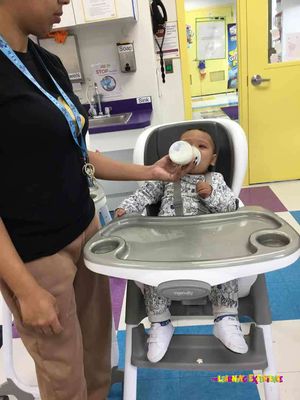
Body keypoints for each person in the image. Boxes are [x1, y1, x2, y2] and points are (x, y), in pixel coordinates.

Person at [0, 1, 193, 399]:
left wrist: (150, 172)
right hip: (35, 257)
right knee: (65, 377)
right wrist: (24, 289)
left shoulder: (46, 63)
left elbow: (77, 153)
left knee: (98, 362)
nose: (65, 2)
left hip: (87, 232)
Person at [115, 128, 249, 363]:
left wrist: (211, 196)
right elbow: (143, 194)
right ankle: (161, 322)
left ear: (213, 159)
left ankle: (225, 318)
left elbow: (232, 208)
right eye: (186, 144)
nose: (193, 149)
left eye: (202, 146)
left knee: (227, 263)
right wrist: (127, 208)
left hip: (208, 243)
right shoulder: (167, 178)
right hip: (168, 243)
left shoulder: (215, 180)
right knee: (149, 270)